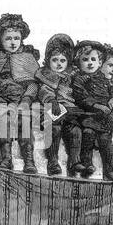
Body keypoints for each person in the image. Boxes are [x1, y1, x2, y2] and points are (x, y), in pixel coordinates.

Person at [0, 13, 40, 173]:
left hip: (22, 101)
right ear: (1, 39)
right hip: (1, 100)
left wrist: (26, 99)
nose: (12, 42)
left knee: (25, 126)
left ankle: (29, 161)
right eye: (8, 38)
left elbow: (34, 83)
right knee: (2, 124)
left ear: (21, 38)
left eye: (16, 38)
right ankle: (6, 158)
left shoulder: (27, 58)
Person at [70, 40, 113, 180]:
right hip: (88, 116)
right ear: (78, 62)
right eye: (85, 60)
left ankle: (108, 169)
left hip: (104, 119)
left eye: (93, 59)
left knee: (105, 139)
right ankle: (87, 164)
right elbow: (81, 97)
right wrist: (98, 106)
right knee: (88, 133)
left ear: (100, 63)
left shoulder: (104, 80)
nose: (90, 63)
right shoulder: (79, 79)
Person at [36, 33, 78, 176]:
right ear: (48, 61)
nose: (59, 63)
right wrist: (52, 101)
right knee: (53, 128)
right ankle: (52, 161)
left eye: (62, 60)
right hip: (51, 109)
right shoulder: (46, 75)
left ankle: (74, 162)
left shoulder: (72, 77)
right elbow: (44, 91)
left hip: (69, 111)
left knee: (74, 131)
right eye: (55, 60)